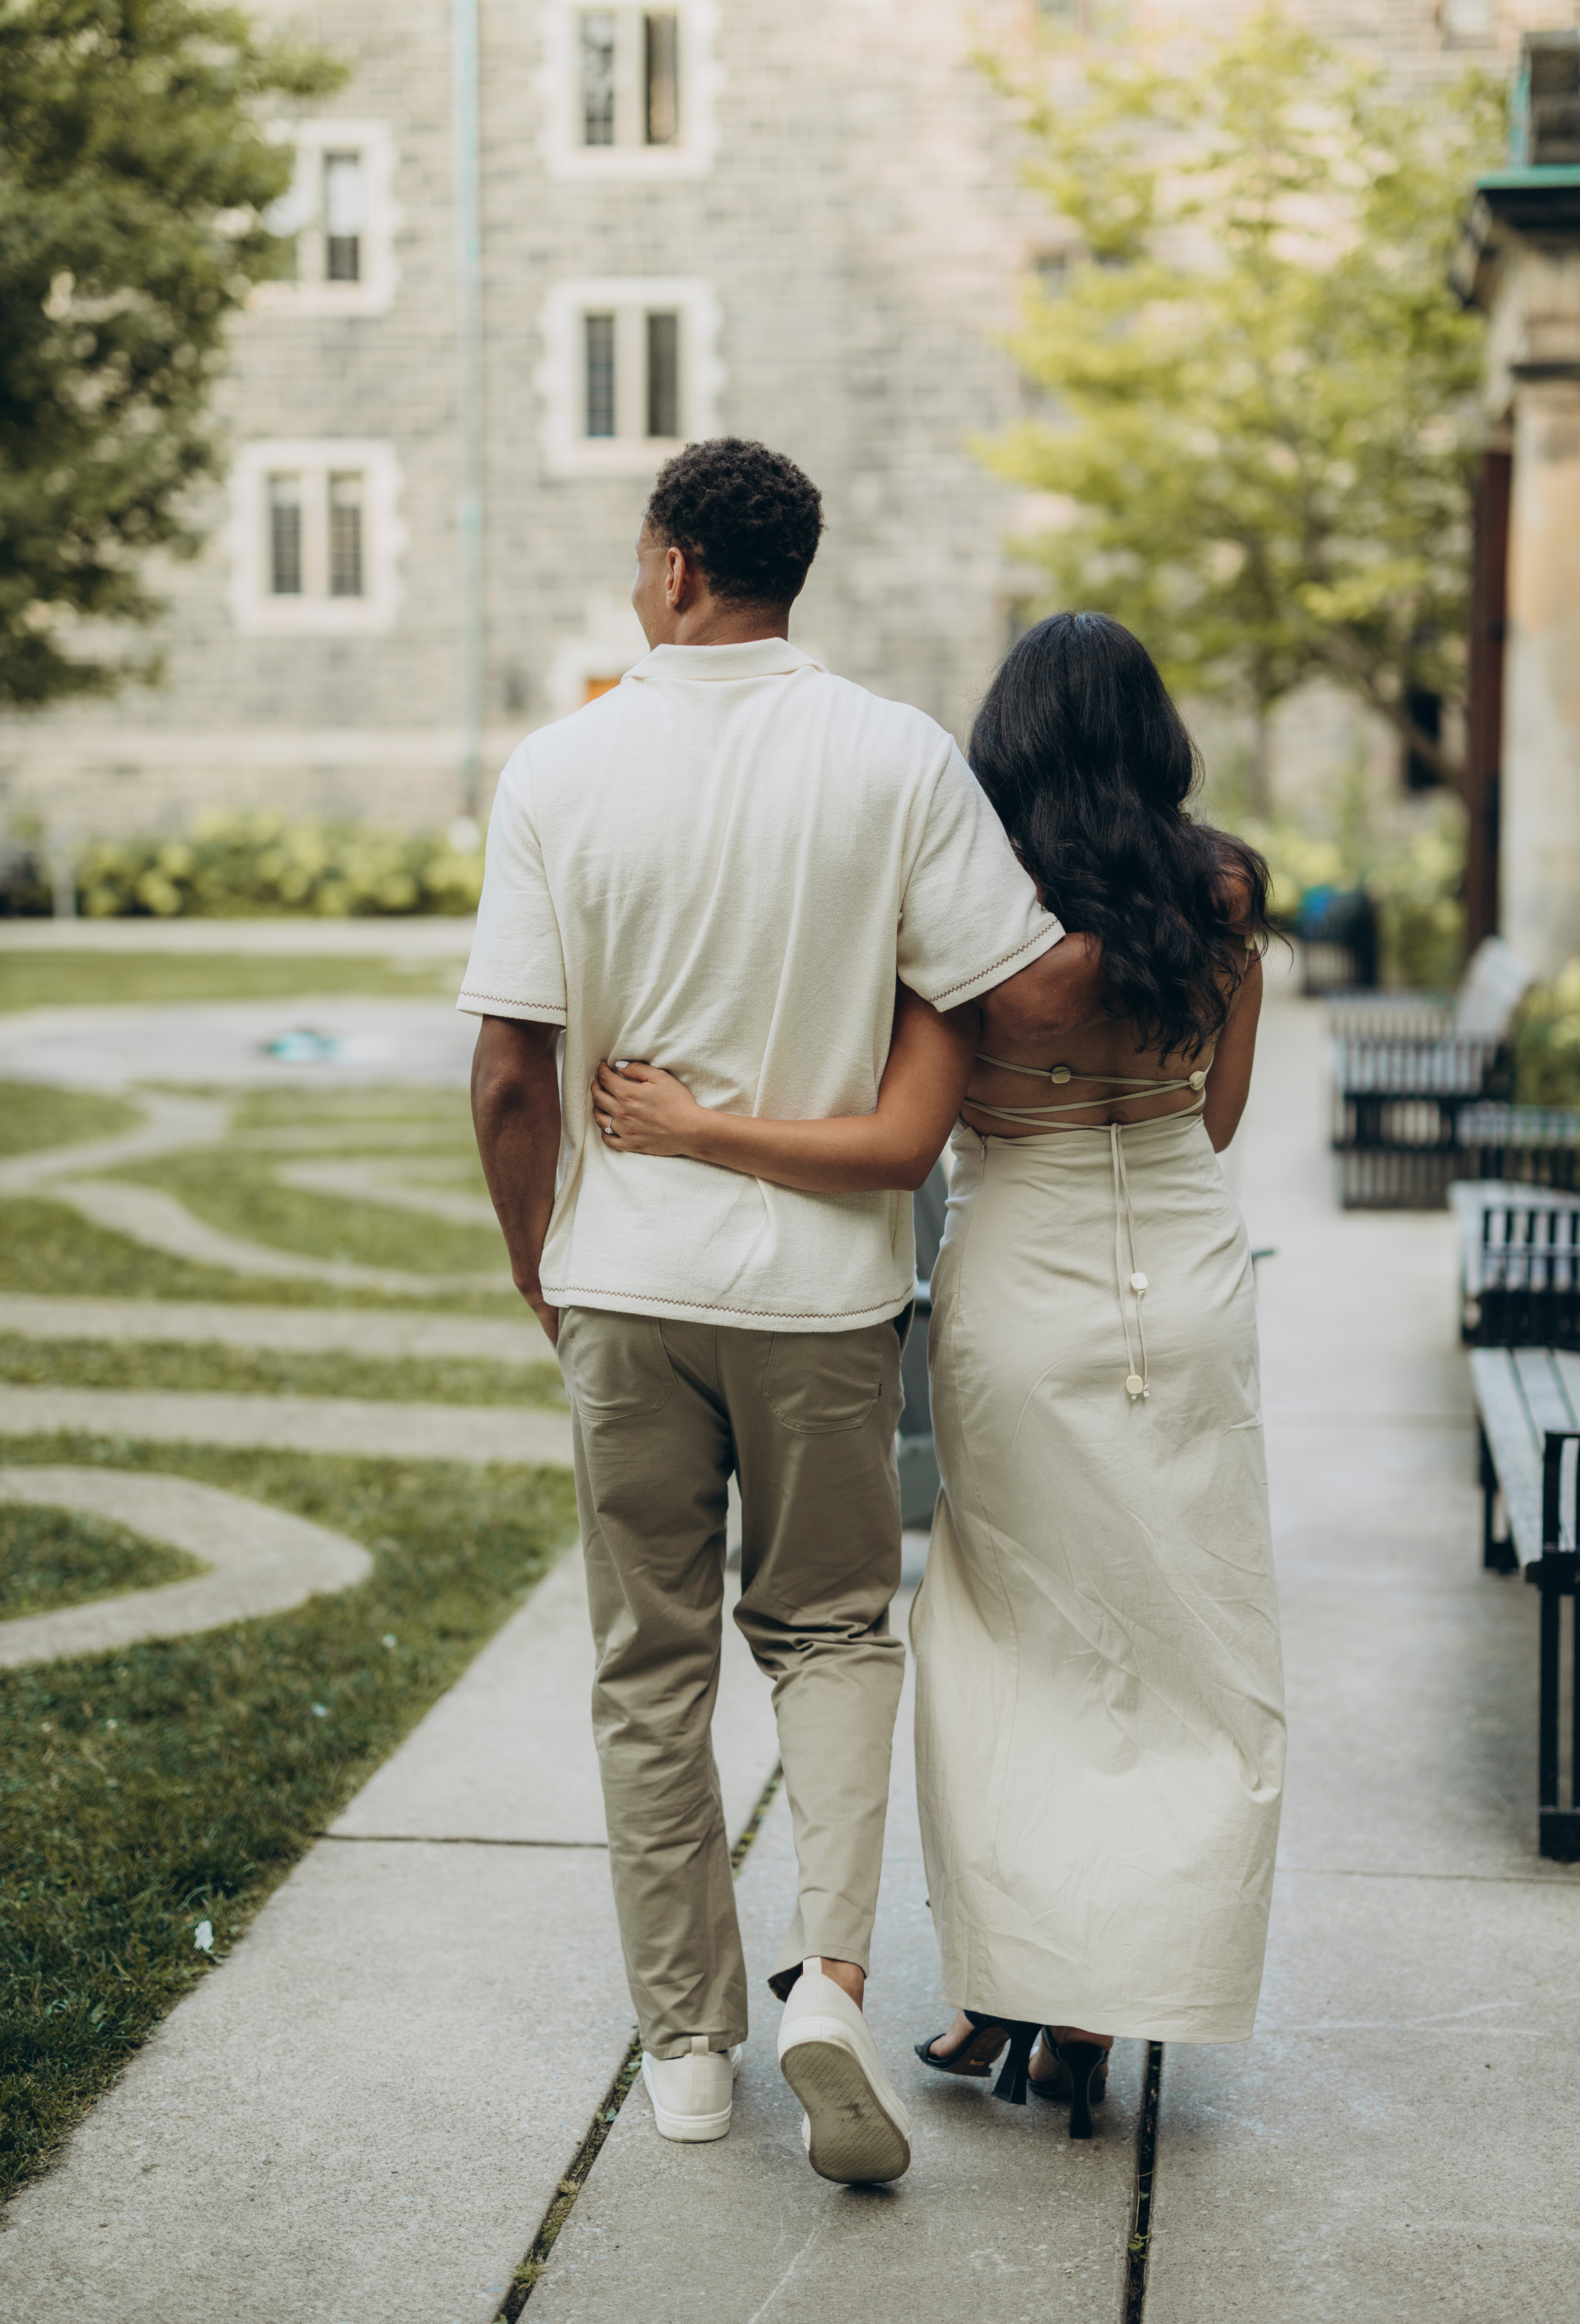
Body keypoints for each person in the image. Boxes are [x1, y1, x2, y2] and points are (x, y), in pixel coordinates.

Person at [460, 440, 1101, 2186]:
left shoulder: (563, 767)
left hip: (624, 1286)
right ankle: (830, 1976)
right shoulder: (894, 758)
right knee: (830, 1630)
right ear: (790, 572)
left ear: (670, 565)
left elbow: (513, 1069)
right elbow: (1020, 982)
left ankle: (684, 2050)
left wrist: (539, 1260)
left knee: (647, 1670)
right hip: (824, 1299)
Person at [591, 610, 1287, 2142]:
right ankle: (1089, 2014)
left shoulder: (989, 926)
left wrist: (693, 1127)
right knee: (1185, 1641)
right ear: (1157, 734)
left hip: (1020, 1288)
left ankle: (1003, 1986)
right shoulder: (1224, 893)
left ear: (1010, 744)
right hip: (1183, 1279)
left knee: (1008, 1638)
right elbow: (1217, 1120)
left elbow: (903, 1143)